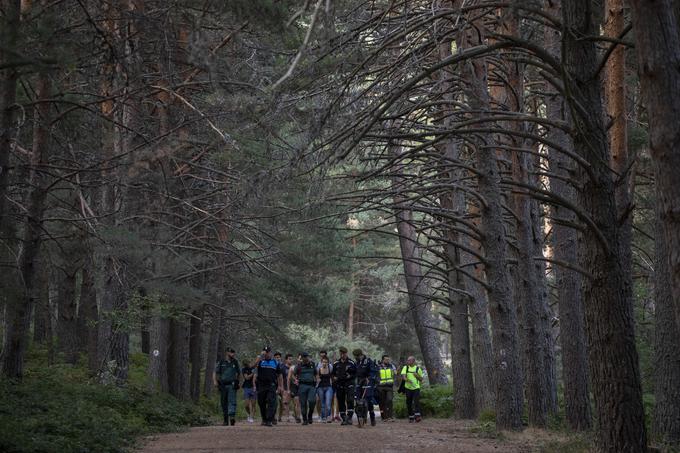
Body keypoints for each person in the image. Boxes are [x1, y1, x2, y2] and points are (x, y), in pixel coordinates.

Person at [253, 346, 284, 427]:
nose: (266, 354)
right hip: (261, 385)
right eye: (265, 352)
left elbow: (279, 375)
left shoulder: (275, 362)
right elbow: (253, 366)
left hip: (271, 385)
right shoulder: (260, 361)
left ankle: (269, 420)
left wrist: (280, 386)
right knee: (261, 402)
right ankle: (264, 419)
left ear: (270, 353)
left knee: (271, 401)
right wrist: (259, 358)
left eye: (268, 352)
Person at [213, 347, 241, 426]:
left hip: (232, 385)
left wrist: (238, 382)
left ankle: (232, 417)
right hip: (223, 385)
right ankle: (225, 420)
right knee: (223, 402)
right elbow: (215, 372)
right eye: (231, 352)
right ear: (227, 353)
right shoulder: (221, 362)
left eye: (233, 352)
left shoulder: (235, 362)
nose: (233, 354)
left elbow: (239, 373)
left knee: (232, 401)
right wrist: (215, 381)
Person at [332, 346, 356, 425]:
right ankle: (344, 417)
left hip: (349, 384)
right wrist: (334, 378)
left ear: (346, 353)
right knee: (341, 401)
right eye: (341, 353)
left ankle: (349, 417)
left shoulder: (351, 362)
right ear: (340, 353)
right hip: (339, 385)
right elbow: (332, 374)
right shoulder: (336, 363)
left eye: (344, 353)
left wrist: (350, 376)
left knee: (350, 400)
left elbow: (355, 373)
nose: (343, 355)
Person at [353, 348, 377, 426]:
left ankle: (372, 418)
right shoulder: (357, 362)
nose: (355, 358)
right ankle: (361, 419)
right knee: (358, 400)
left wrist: (369, 378)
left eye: (356, 356)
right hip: (359, 382)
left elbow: (373, 371)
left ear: (360, 355)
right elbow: (355, 373)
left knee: (368, 401)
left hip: (368, 382)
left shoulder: (368, 361)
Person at [293, 352, 318, 425]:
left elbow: (316, 374)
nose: (306, 358)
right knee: (303, 403)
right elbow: (293, 375)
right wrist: (295, 380)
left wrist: (317, 379)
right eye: (304, 357)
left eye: (307, 356)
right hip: (302, 386)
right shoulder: (299, 366)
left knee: (312, 401)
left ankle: (310, 415)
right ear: (302, 358)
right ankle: (305, 419)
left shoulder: (312, 364)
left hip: (311, 386)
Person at [400, 356, 424, 423]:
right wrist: (407, 379)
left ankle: (417, 416)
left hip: (416, 387)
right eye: (407, 360)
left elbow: (421, 379)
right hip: (408, 388)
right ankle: (411, 416)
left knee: (416, 402)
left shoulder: (418, 369)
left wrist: (417, 376)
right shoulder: (406, 367)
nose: (408, 361)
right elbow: (403, 376)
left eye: (409, 360)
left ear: (413, 361)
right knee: (409, 402)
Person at [376, 354, 396, 422]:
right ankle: (384, 417)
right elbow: (375, 376)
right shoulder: (378, 366)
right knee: (382, 402)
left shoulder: (391, 366)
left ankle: (390, 416)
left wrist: (394, 381)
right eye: (386, 359)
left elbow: (395, 374)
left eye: (388, 359)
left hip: (389, 386)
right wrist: (377, 382)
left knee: (389, 400)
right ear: (382, 360)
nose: (387, 361)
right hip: (381, 387)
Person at [316, 356, 334, 423]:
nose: (324, 363)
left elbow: (332, 376)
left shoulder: (330, 368)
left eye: (326, 362)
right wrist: (317, 379)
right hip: (320, 387)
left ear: (328, 363)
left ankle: (328, 416)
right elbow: (316, 377)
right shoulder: (318, 369)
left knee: (328, 404)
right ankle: (323, 417)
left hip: (328, 387)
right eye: (323, 362)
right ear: (321, 362)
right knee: (322, 404)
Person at [287, 354, 303, 423]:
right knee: (297, 402)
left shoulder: (305, 367)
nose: (301, 360)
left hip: (302, 386)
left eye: (302, 359)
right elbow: (288, 378)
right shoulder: (292, 367)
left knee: (299, 403)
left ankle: (296, 415)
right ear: (297, 359)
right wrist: (288, 389)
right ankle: (298, 417)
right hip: (294, 387)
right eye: (300, 358)